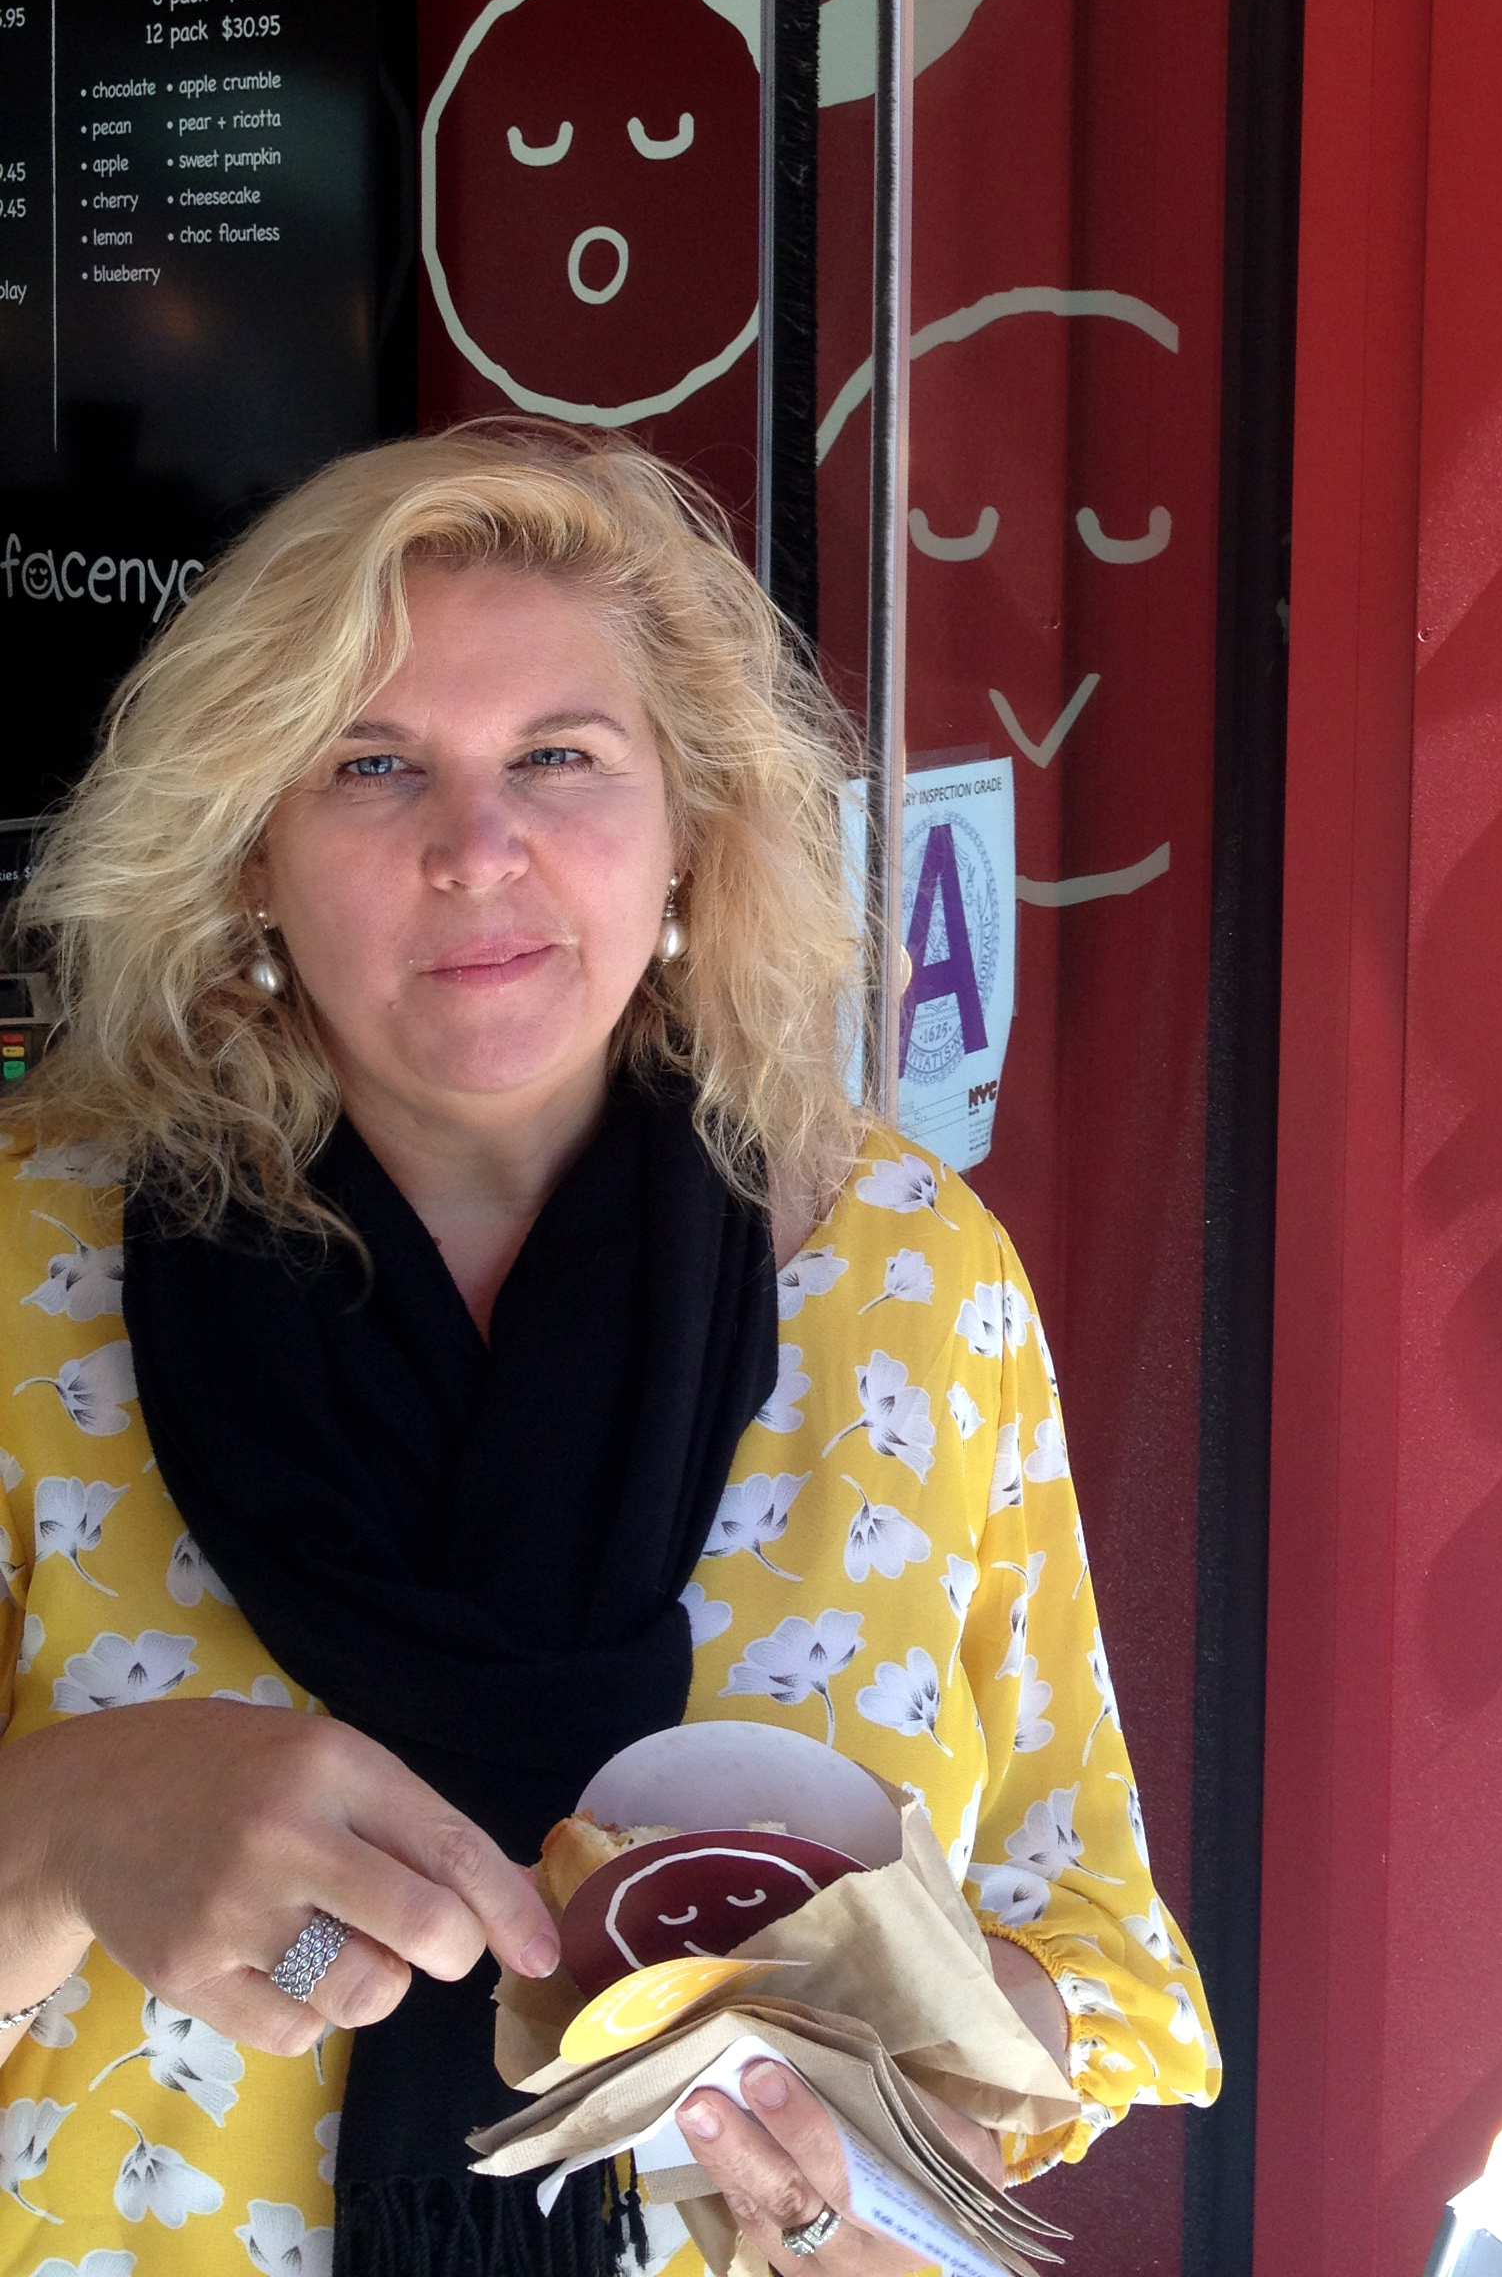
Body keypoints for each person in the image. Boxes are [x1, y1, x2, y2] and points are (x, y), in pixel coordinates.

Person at [0, 425, 1216, 2277]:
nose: (476, 849)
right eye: (371, 765)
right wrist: (66, 1824)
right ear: (250, 852)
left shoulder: (906, 1271)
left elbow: (1093, 1944)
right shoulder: (31, 1263)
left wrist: (904, 2145)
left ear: (688, 832)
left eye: (560, 757)